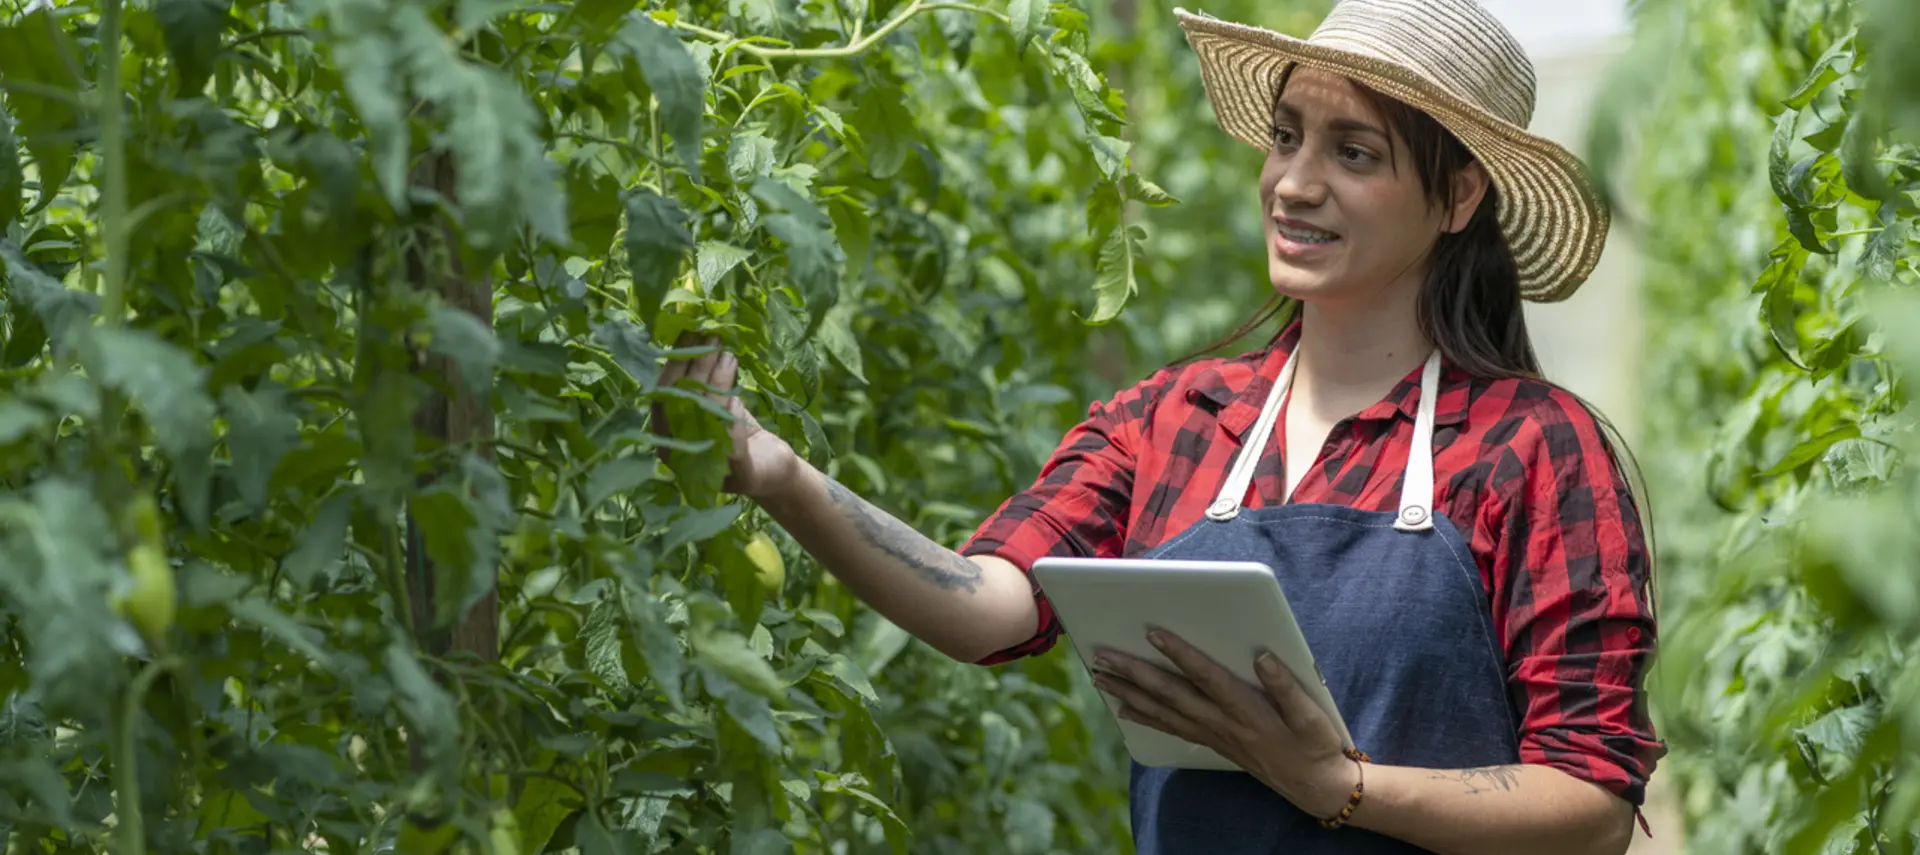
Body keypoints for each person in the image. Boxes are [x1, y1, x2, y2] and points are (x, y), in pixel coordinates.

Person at [654, 0, 1664, 853]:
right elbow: (988, 604)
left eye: (1354, 153)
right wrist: (778, 475)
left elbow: (1591, 803)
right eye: (1286, 137)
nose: (1294, 183)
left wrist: (1340, 784)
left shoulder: (1531, 447)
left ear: (1457, 197)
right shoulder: (1173, 420)